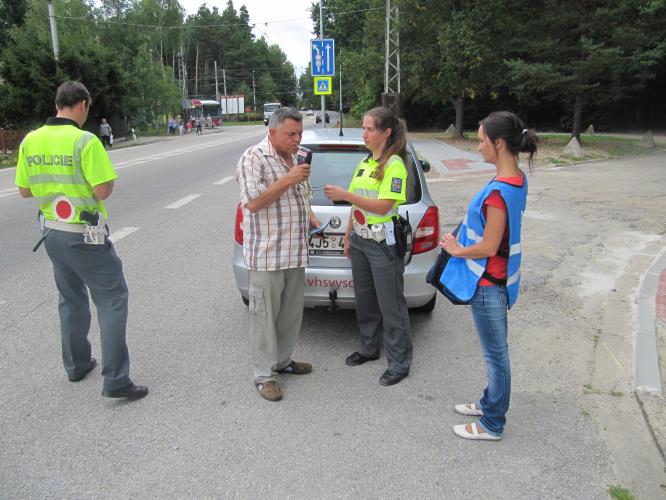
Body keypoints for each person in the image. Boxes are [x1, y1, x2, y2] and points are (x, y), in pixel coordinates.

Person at [14, 81, 148, 401]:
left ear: (57, 103)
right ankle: (116, 379)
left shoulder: (30, 140)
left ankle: (76, 365)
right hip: (83, 234)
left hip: (51, 232)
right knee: (112, 299)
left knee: (70, 299)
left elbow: (23, 190)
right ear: (83, 105)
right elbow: (102, 190)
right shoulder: (84, 141)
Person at [439, 111, 537, 440]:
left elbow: (489, 246)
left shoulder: (498, 191)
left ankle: (492, 423)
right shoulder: (517, 179)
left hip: (487, 284)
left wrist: (455, 250)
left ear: (498, 143)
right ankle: (488, 402)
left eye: (481, 140)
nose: (478, 146)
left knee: (496, 356)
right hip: (499, 281)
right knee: (496, 352)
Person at [235, 107, 320, 401]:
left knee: (290, 315)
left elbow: (300, 193)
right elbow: (254, 203)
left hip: (295, 253)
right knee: (264, 317)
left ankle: (283, 362)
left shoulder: (296, 157)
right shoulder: (253, 158)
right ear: (272, 132)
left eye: (299, 133)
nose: (297, 139)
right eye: (290, 134)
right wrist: (288, 179)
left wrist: (308, 213)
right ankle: (263, 375)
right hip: (268, 255)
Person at [323, 106, 412, 386]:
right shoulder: (365, 163)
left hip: (382, 243)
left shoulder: (395, 165)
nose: (364, 133)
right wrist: (348, 236)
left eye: (369, 128)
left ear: (386, 132)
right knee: (365, 300)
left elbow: (385, 205)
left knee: (391, 304)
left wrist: (346, 194)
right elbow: (356, 205)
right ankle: (368, 348)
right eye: (363, 128)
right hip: (361, 239)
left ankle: (399, 363)